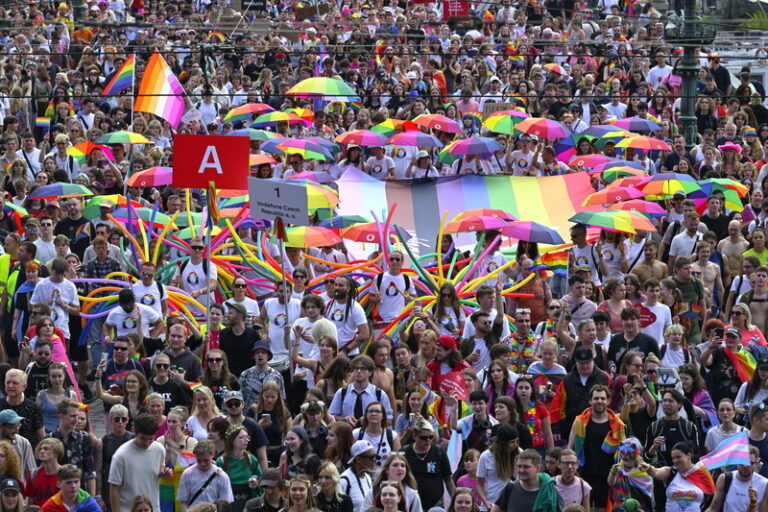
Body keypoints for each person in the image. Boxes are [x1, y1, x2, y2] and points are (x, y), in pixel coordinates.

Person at [567, 385, 626, 512]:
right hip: (584, 474)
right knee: (582, 508)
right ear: (590, 401)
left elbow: (623, 452)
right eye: (596, 398)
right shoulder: (579, 422)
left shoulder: (618, 424)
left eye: (603, 398)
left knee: (602, 509)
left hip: (607, 476)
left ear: (608, 401)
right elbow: (570, 449)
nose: (600, 401)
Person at [109, 414, 173, 512]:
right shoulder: (121, 455)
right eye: (143, 438)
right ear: (135, 433)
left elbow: (158, 470)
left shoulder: (159, 450)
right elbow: (114, 488)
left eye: (151, 439)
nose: (147, 443)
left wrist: (164, 473)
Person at [639, 442, 715, 512]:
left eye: (678, 457)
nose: (675, 461)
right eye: (673, 458)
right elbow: (655, 472)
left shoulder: (702, 473)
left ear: (689, 455)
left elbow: (712, 501)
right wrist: (649, 468)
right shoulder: (670, 473)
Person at [491, 449, 563, 512]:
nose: (521, 470)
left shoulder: (550, 491)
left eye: (526, 467)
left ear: (538, 468)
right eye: (519, 466)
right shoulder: (510, 488)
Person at [50, 398, 96, 496]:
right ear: (61, 416)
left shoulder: (84, 438)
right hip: (56, 494)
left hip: (79, 493)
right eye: (72, 416)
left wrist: (91, 500)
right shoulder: (50, 439)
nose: (76, 420)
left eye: (78, 416)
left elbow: (90, 472)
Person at [404, 421, 454, 510]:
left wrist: (454, 500)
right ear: (414, 436)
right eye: (424, 438)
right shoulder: (406, 453)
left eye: (431, 437)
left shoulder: (439, 452)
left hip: (436, 503)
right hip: (411, 503)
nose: (428, 440)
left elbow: (448, 480)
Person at [329, 355, 393, 424]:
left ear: (370, 372)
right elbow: (331, 417)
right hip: (347, 432)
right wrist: (345, 419)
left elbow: (389, 420)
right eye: (356, 368)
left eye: (363, 368)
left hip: (370, 433)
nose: (359, 371)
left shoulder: (379, 394)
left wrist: (370, 419)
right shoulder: (342, 392)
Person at [705, 445, 767, 512]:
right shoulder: (725, 478)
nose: (745, 466)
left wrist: (752, 504)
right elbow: (713, 508)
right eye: (741, 462)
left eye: (749, 463)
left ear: (756, 464)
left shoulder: (765, 484)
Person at [177, 440, 234, 512]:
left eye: (206, 460)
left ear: (213, 455)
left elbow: (225, 503)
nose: (202, 464)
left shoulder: (222, 476)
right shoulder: (187, 474)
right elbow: (183, 502)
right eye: (199, 460)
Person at [477, 424, 521, 512]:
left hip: (512, 505)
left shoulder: (519, 453)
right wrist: (485, 501)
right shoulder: (486, 456)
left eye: (517, 441)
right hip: (491, 504)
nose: (515, 445)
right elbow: (479, 484)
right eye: (512, 442)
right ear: (502, 444)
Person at [24, 437, 65, 507]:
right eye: (40, 449)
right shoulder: (33, 474)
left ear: (56, 452)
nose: (42, 451)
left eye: (46, 449)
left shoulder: (66, 474)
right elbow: (30, 503)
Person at [339, 440, 375, 512]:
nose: (374, 460)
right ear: (358, 459)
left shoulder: (367, 477)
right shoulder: (344, 480)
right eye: (371, 457)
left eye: (376, 456)